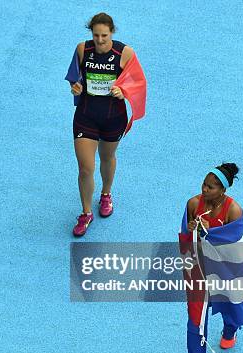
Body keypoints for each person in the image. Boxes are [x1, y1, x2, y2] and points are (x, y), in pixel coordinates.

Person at [178, 163, 243, 353]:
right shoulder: (193, 204)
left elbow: (233, 242)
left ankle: (231, 329)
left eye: (211, 187)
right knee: (195, 321)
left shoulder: (233, 211)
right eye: (204, 184)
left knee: (236, 308)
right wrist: (193, 230)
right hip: (199, 271)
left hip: (226, 270)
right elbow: (186, 238)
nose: (205, 189)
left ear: (223, 190)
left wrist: (209, 233)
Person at [66, 13, 135, 237]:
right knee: (85, 168)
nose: (100, 40)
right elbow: (75, 78)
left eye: (104, 36)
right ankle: (86, 213)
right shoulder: (82, 50)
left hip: (113, 118)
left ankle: (106, 194)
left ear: (112, 33)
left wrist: (123, 91)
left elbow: (137, 83)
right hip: (86, 116)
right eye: (96, 35)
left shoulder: (125, 53)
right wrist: (75, 87)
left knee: (107, 158)